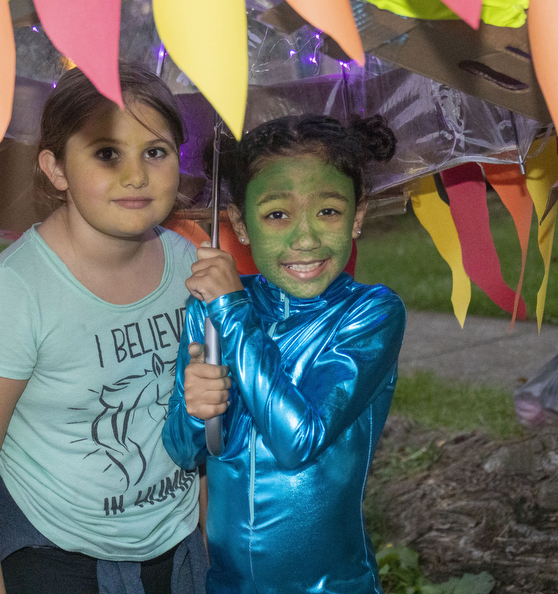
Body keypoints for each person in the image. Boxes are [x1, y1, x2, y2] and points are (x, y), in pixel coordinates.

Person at [0, 63, 207, 594]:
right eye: (107, 153)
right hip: (56, 559)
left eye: (155, 152)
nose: (136, 175)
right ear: (56, 168)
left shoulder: (189, 265)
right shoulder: (17, 293)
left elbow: (197, 430)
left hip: (176, 552)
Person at [162, 114, 407, 594]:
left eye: (328, 211)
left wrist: (232, 310)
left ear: (357, 216)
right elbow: (183, 450)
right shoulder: (208, 308)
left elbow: (299, 440)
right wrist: (195, 410)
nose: (306, 239)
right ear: (240, 224)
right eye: (277, 215)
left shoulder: (371, 314)